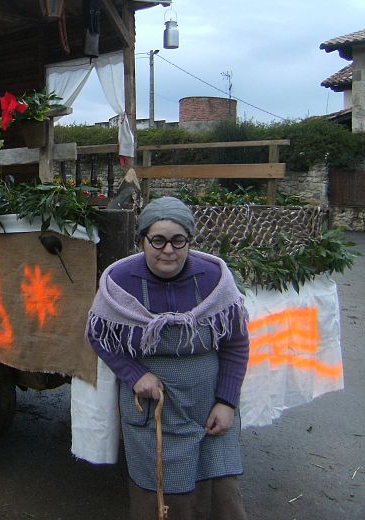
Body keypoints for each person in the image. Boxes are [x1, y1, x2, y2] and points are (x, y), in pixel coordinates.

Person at [87, 197, 250, 520]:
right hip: (153, 415)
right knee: (159, 493)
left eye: (178, 240)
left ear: (190, 240)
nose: (168, 250)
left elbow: (236, 342)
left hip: (208, 411)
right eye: (157, 240)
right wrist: (134, 375)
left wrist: (227, 402)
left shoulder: (215, 279)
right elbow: (98, 335)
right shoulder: (119, 281)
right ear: (141, 241)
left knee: (220, 493)